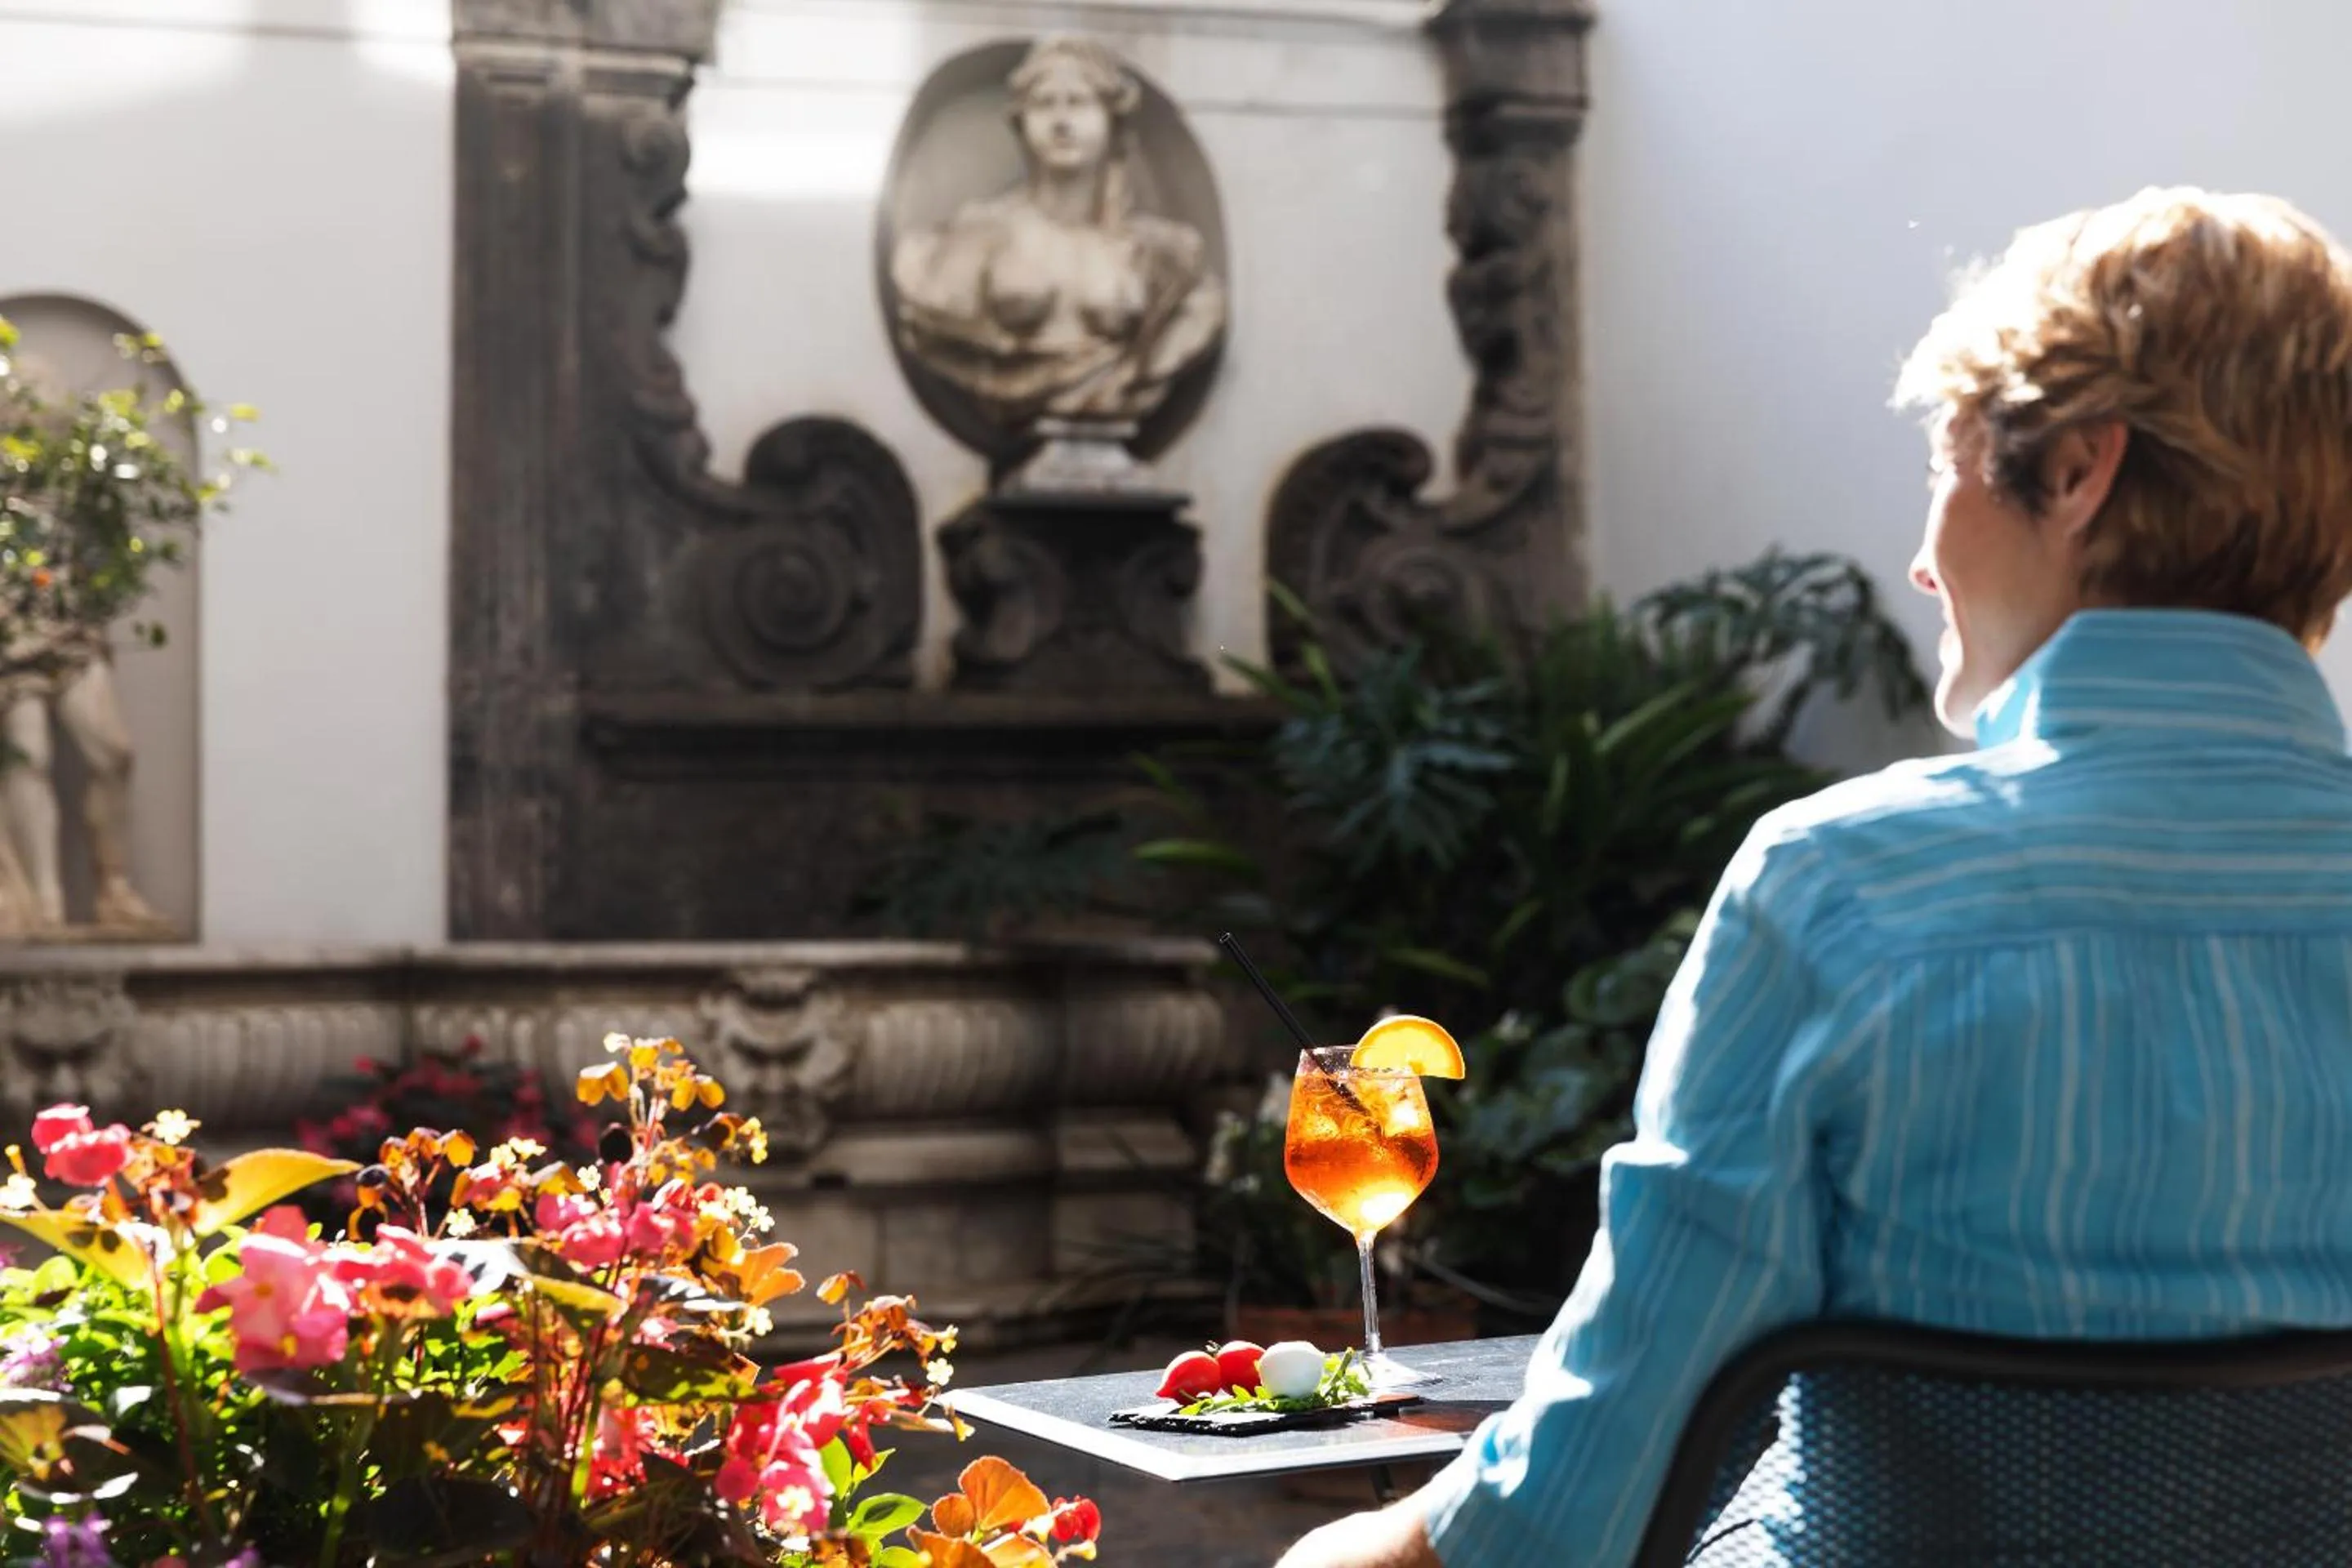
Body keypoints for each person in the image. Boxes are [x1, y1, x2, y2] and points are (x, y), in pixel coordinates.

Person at [1277, 185, 2352, 1567]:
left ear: (2082, 470)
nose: (1919, 557)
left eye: (1945, 467)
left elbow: (1572, 1510)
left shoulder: (1848, 897)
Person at [889, 35, 1226, 434]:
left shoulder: (1164, 255)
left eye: (1078, 102)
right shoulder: (977, 236)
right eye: (1045, 104)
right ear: (1021, 122)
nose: (1061, 122)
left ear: (1111, 120)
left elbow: (1193, 321)